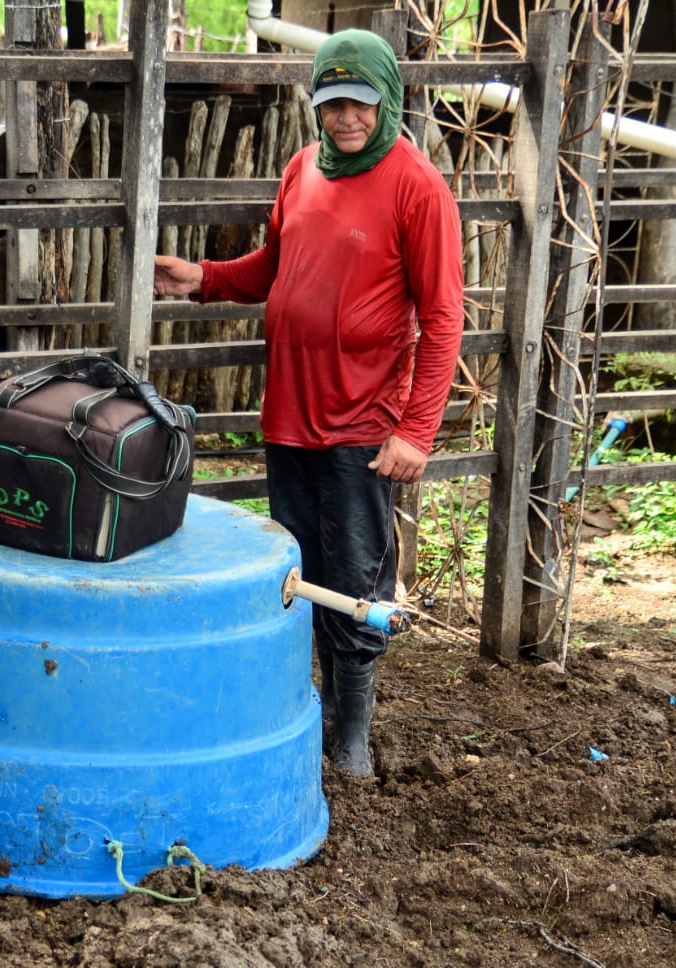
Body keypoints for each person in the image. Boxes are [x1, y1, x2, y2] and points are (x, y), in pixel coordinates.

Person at [153, 29, 464, 778]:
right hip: (291, 416)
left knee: (356, 573)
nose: (346, 118)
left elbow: (445, 317)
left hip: (362, 423)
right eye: (331, 103)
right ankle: (306, 711)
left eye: (360, 103)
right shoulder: (302, 170)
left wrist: (415, 431)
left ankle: (351, 733)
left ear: (387, 100)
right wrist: (206, 278)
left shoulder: (417, 186)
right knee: (297, 568)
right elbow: (276, 264)